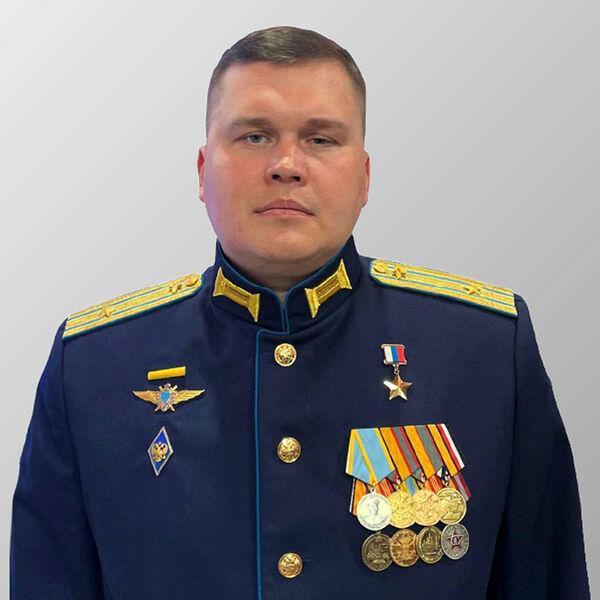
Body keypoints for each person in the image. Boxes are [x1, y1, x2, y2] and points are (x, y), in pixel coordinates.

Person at [10, 25, 590, 600]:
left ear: (364, 178)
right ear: (202, 171)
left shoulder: (485, 349)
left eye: (320, 138)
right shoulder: (92, 365)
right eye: (254, 136)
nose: (286, 165)